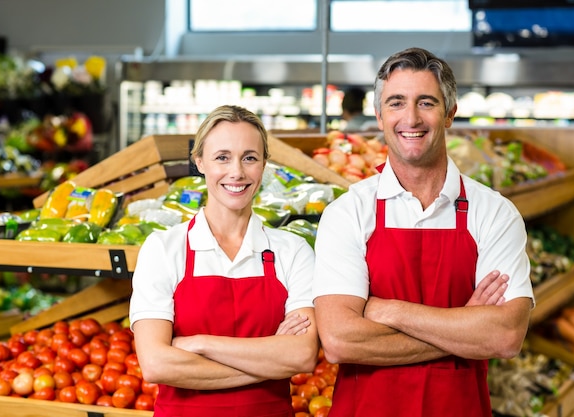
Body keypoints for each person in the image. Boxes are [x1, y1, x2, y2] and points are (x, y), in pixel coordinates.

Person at [312, 47, 534, 417]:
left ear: (449, 114)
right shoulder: (347, 212)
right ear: (380, 115)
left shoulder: (495, 213)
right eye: (396, 103)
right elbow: (338, 341)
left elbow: (505, 336)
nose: (410, 118)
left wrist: (390, 311)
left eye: (426, 102)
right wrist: (463, 327)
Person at [129, 104, 319, 417]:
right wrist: (270, 359)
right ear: (199, 161)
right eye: (222, 157)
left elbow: (302, 356)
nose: (237, 172)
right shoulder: (164, 248)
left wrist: (201, 344)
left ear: (264, 164)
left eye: (250, 157)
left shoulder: (293, 250)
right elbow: (156, 363)